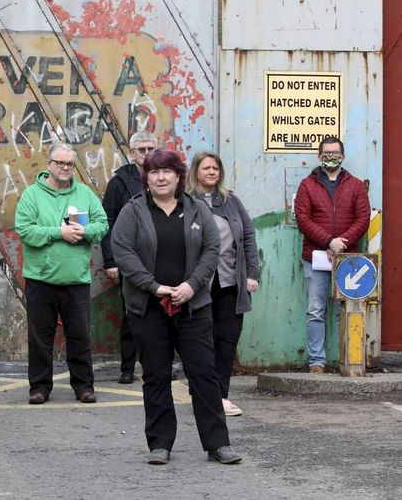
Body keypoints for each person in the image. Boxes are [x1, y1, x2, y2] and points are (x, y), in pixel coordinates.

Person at [111, 148, 241, 465]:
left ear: (179, 175)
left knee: (203, 375)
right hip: (149, 308)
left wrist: (191, 285)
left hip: (193, 306)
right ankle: (160, 444)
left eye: (167, 171)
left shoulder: (196, 209)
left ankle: (217, 444)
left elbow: (212, 249)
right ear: (147, 177)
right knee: (156, 375)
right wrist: (153, 286)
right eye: (154, 172)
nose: (161, 177)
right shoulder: (133, 211)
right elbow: (122, 251)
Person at [15, 142, 107, 405]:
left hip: (75, 279)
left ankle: (83, 386)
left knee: (79, 336)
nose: (65, 168)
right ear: (49, 165)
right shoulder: (32, 195)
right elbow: (25, 230)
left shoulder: (84, 195)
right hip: (40, 279)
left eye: (70, 164)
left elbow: (102, 224)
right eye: (60, 163)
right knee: (40, 337)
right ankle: (40, 387)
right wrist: (60, 232)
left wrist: (84, 232)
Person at [187, 151, 260, 417]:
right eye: (206, 168)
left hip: (230, 282)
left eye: (215, 168)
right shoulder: (186, 202)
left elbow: (249, 237)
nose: (211, 172)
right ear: (195, 171)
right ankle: (202, 391)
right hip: (198, 285)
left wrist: (252, 273)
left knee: (227, 339)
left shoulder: (231, 201)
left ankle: (220, 395)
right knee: (201, 340)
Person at [293, 137, 370, 374]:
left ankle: (343, 359)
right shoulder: (307, 185)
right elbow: (303, 218)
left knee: (344, 310)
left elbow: (363, 218)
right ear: (319, 156)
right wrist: (328, 241)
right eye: (326, 153)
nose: (331, 156)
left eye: (335, 153)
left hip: (347, 260)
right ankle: (317, 361)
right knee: (315, 310)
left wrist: (341, 244)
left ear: (342, 156)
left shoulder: (356, 185)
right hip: (316, 257)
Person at [101, 131, 157, 384]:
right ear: (132, 152)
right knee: (131, 314)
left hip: (161, 258)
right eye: (141, 149)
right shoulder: (120, 182)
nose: (146, 154)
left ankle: (155, 366)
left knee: (161, 316)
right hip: (131, 260)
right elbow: (107, 223)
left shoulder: (167, 177)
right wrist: (111, 261)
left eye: (150, 149)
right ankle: (127, 367)